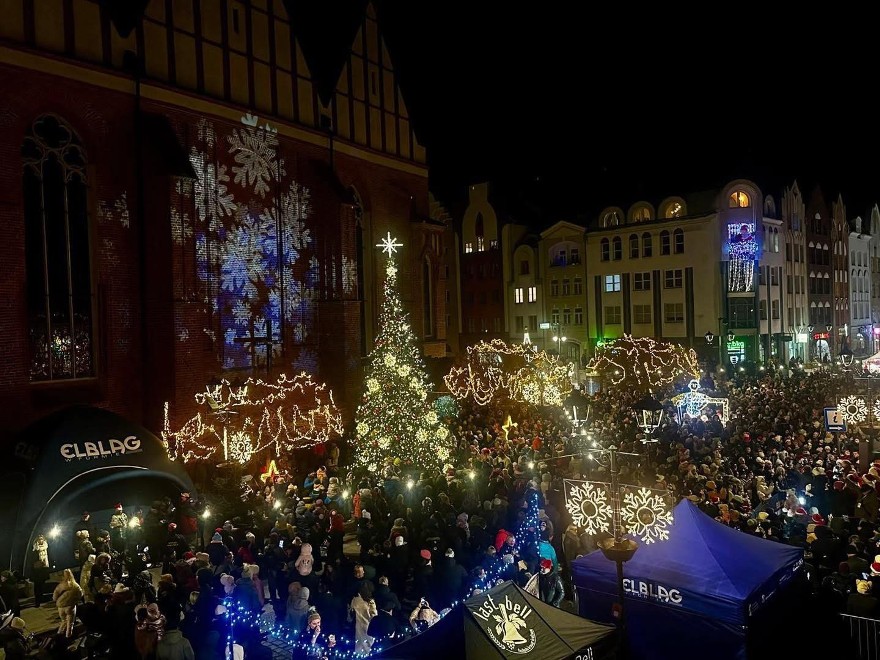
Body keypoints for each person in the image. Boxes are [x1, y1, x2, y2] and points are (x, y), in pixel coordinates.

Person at [53, 568, 83, 637]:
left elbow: (54, 597)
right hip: (70, 606)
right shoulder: (75, 585)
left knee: (64, 621)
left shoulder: (60, 586)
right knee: (70, 624)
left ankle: (59, 633)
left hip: (61, 607)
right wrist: (75, 599)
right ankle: (68, 636)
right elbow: (80, 594)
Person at [350, 582, 377, 654]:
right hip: (369, 625)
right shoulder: (371, 601)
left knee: (360, 644)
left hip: (358, 625)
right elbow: (374, 615)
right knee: (369, 645)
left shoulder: (355, 600)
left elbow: (351, 613)